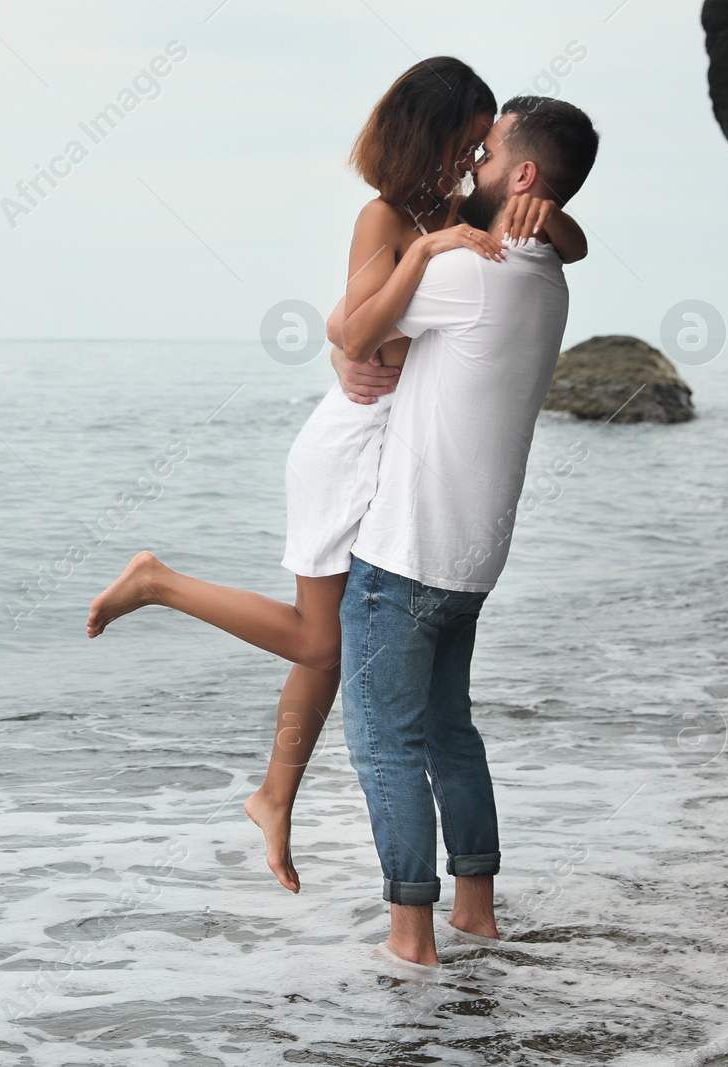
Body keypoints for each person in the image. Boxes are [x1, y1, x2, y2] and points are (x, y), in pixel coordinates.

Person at [85, 58, 587, 895]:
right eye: (468, 143)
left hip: (394, 455)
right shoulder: (389, 216)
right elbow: (356, 333)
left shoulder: (460, 212)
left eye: (484, 149)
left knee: (332, 651)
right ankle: (159, 582)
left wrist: (555, 222)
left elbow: (559, 244)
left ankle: (275, 797)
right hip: (349, 444)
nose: (473, 163)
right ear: (437, 136)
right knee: (324, 643)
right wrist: (418, 259)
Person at [335, 95, 600, 969]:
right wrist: (546, 224)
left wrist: (419, 247)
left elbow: (355, 331)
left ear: (522, 176)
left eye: (484, 152)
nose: (469, 165)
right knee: (451, 732)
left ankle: (411, 939)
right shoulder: (545, 274)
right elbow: (564, 240)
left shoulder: (468, 271)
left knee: (386, 744)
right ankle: (475, 911)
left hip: (404, 554)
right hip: (471, 562)